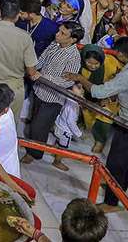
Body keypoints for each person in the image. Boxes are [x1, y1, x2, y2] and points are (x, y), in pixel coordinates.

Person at [65, 37, 128, 212]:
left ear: (121, 54)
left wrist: (80, 77)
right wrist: (115, 95)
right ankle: (117, 190)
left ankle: (111, 202)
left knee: (118, 161)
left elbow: (98, 91)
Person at [22, 21, 82, 169]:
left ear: (73, 39)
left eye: (63, 34)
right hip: (39, 91)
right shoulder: (54, 44)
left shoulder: (74, 57)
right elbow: (42, 59)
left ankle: (34, 153)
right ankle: (32, 147)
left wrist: (43, 77)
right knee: (34, 121)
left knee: (39, 126)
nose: (57, 34)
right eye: (59, 31)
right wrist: (33, 68)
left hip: (53, 98)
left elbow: (66, 81)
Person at [0, 0, 40, 117]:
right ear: (17, 15)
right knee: (9, 124)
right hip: (13, 89)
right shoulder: (25, 37)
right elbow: (31, 71)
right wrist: (35, 74)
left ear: (0, 13)